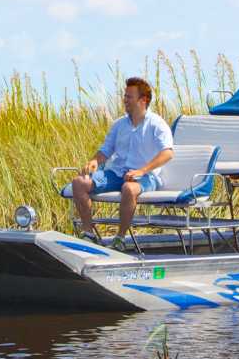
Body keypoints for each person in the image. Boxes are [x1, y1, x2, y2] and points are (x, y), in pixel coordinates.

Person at [70, 76, 174, 243]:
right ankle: (88, 234)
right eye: (125, 96)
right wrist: (95, 161)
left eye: (129, 97)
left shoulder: (157, 124)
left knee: (129, 189)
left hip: (145, 176)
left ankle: (120, 238)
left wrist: (142, 170)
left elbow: (168, 153)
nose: (125, 100)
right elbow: (105, 151)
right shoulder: (119, 124)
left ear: (143, 100)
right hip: (117, 173)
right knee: (78, 182)